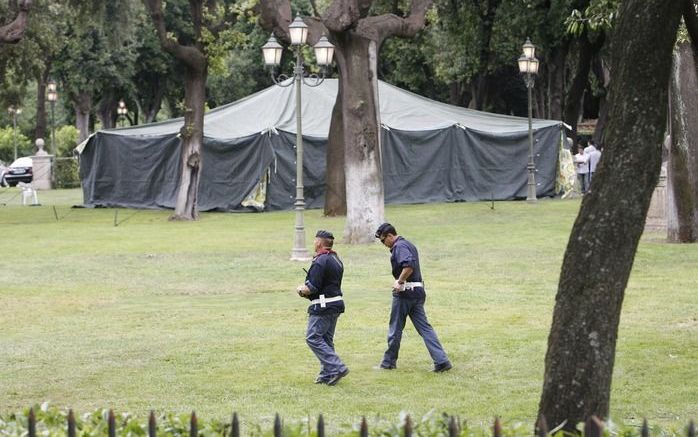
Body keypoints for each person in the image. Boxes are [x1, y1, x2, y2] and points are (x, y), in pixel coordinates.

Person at [374, 223, 452, 372]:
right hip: (418, 292)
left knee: (395, 328)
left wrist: (400, 281)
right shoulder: (408, 244)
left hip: (405, 293)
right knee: (425, 328)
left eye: (383, 240)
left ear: (390, 236)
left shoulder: (400, 246)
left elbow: (408, 265)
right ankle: (442, 361)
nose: (383, 244)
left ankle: (388, 363)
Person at [296, 230, 349, 385]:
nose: (313, 243)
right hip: (336, 304)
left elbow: (312, 288)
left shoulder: (320, 261)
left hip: (323, 306)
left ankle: (337, 367)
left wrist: (300, 289)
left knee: (312, 337)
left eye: (314, 241)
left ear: (319, 242)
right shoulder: (336, 259)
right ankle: (327, 374)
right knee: (326, 340)